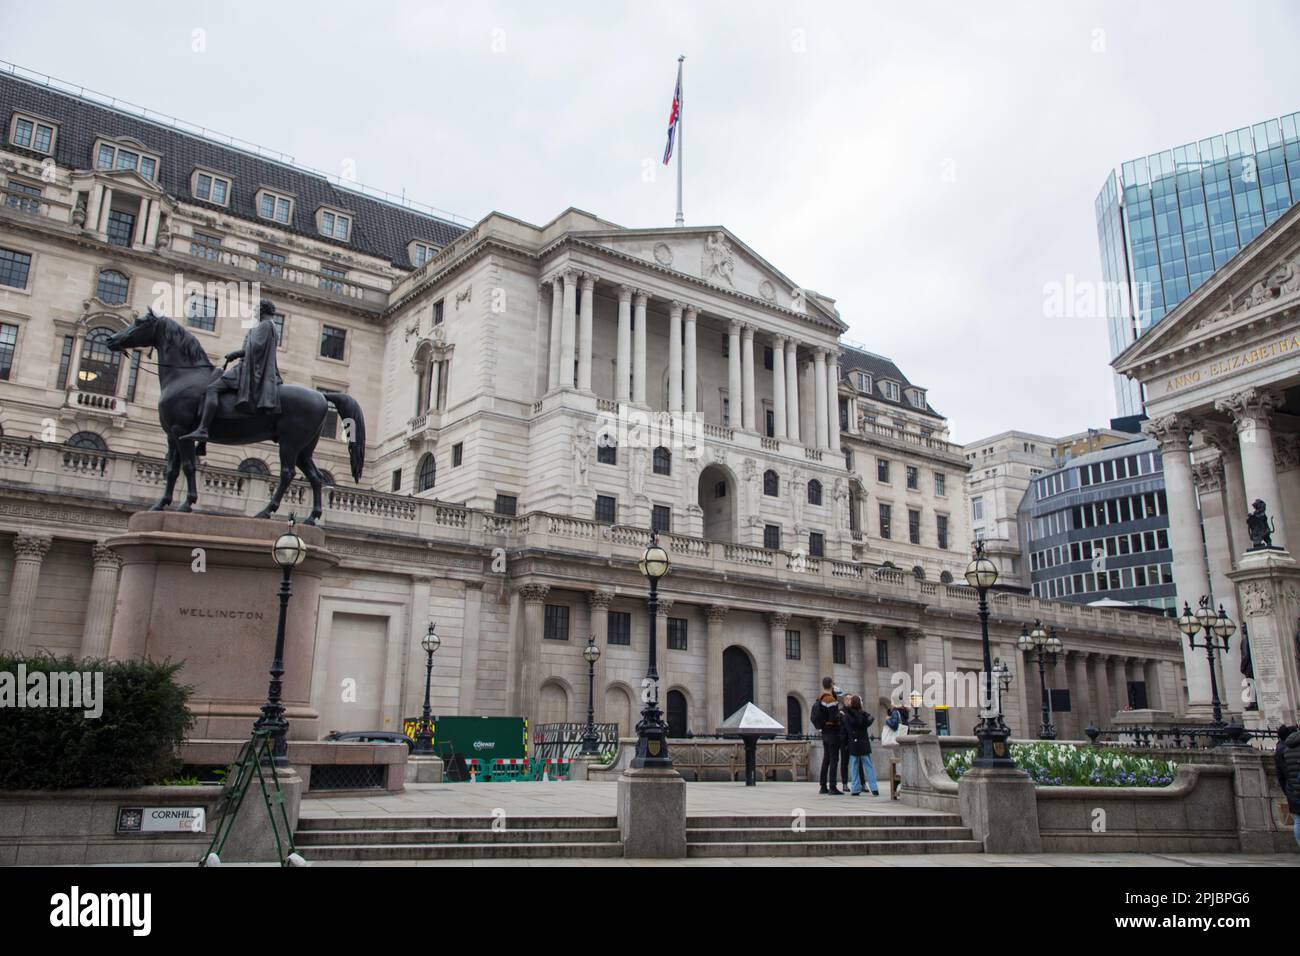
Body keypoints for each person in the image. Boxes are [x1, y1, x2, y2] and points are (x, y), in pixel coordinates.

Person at [181, 298, 283, 443]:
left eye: (256, 309)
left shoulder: (265, 325)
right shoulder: (266, 326)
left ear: (262, 309)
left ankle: (203, 429)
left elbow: (255, 348)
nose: (254, 312)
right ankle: (203, 440)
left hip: (248, 370)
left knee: (212, 389)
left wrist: (236, 354)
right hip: (249, 367)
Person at [841, 694, 879, 796]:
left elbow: (847, 728)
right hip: (864, 743)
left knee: (854, 767)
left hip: (853, 743)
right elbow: (871, 718)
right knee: (869, 766)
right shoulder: (863, 715)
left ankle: (855, 788)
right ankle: (874, 788)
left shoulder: (847, 716)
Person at [811, 677, 843, 795]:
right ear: (830, 685)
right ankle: (833, 787)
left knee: (826, 759)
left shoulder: (820, 698)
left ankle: (823, 786)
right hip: (833, 732)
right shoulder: (830, 700)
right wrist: (840, 715)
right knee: (834, 759)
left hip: (824, 731)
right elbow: (834, 717)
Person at [1275, 724, 1300, 849]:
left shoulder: (1286, 750)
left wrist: (1287, 790)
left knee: (1298, 821)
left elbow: (1281, 775)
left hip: (1293, 790)